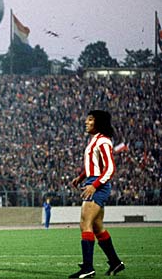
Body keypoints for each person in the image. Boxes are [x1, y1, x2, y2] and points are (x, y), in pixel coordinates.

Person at [68, 110, 125, 278]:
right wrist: (81, 177)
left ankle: (88, 268)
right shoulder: (95, 140)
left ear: (98, 122)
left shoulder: (103, 142)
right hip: (93, 181)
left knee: (85, 223)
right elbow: (94, 165)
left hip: (98, 184)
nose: (86, 122)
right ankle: (115, 262)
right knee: (97, 226)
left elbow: (110, 168)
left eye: (90, 120)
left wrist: (94, 184)